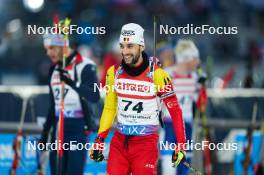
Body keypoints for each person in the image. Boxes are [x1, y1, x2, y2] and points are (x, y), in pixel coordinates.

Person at [90, 23, 186, 175]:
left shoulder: (158, 74)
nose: (125, 51)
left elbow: (175, 111)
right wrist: (99, 140)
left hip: (145, 144)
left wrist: (181, 144)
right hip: (120, 142)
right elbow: (109, 108)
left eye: (130, 46)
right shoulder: (113, 72)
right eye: (122, 46)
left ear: (141, 46)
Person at [39, 19, 100, 175]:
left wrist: (72, 83)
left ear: (63, 45)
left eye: (52, 48)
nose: (48, 53)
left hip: (77, 129)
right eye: (47, 49)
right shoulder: (54, 69)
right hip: (58, 130)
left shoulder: (85, 66)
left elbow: (94, 96)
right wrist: (45, 134)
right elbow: (53, 105)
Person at [161, 39, 205, 175]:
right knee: (168, 167)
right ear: (185, 59)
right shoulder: (166, 75)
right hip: (169, 125)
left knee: (184, 166)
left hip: (187, 127)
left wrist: (203, 88)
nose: (198, 62)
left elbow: (200, 102)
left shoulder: (196, 77)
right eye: (195, 58)